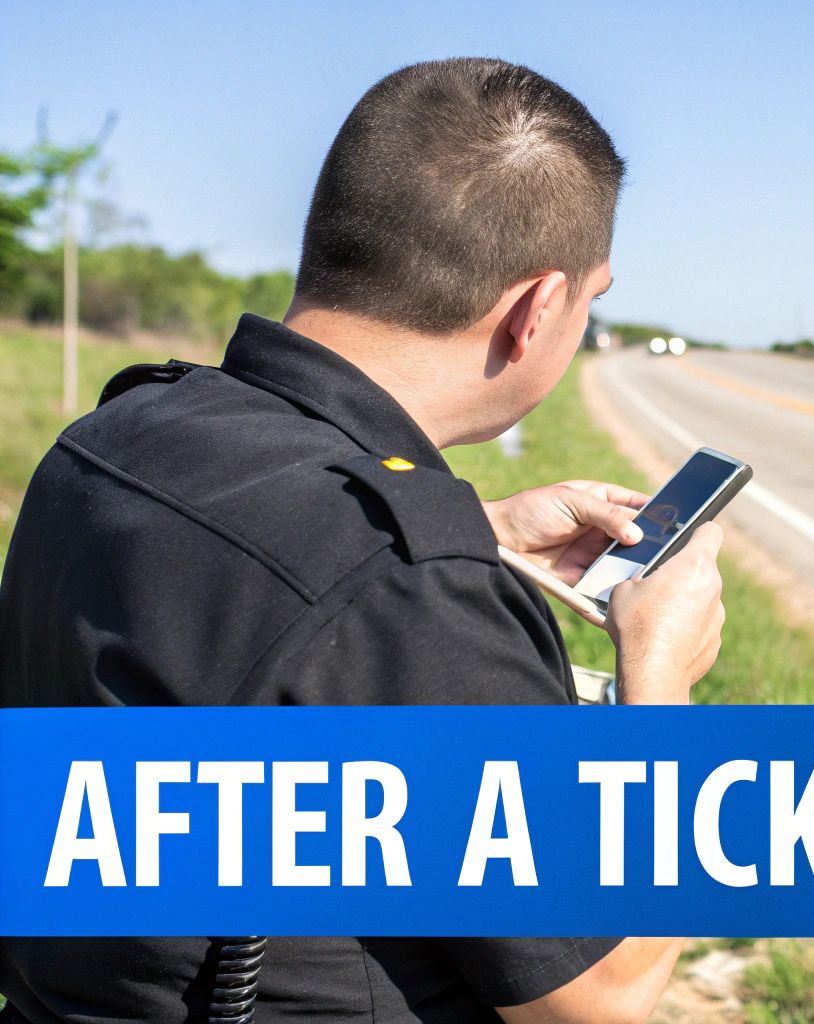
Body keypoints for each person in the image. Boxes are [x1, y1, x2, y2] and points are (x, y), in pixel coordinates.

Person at [0, 58, 720, 1023]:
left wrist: (477, 535)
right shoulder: (406, 587)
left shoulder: (118, 434)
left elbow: (243, 595)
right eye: (593, 300)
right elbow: (606, 992)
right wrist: (659, 671)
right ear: (536, 307)